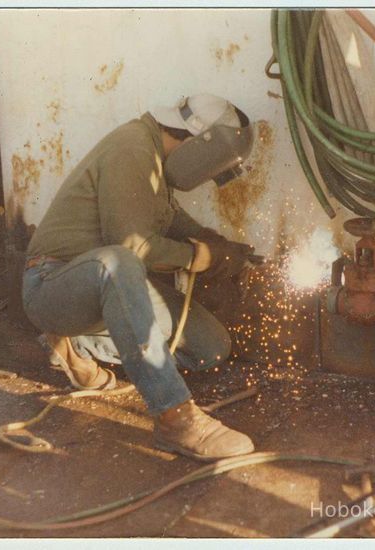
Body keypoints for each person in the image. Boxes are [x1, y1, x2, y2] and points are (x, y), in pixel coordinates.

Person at [22, 94, 257, 461]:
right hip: (54, 285)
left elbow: (169, 216)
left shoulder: (154, 161)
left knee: (210, 347)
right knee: (119, 261)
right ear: (200, 142)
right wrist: (197, 256)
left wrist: (216, 243)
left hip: (105, 297)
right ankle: (174, 417)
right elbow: (131, 243)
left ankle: (74, 345)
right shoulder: (132, 148)